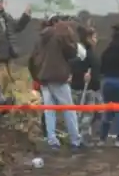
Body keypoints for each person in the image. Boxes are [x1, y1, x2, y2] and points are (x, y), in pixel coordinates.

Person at [28, 16, 85, 149]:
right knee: (69, 109)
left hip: (44, 79)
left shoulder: (40, 38)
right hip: (58, 78)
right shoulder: (59, 35)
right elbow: (71, 52)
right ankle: (75, 140)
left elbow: (31, 60)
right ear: (55, 22)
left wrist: (37, 77)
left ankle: (52, 141)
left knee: (49, 110)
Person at [71, 25, 101, 136]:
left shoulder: (89, 52)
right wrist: (82, 74)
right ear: (88, 38)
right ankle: (80, 136)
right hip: (84, 88)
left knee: (89, 114)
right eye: (94, 37)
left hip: (88, 88)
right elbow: (74, 65)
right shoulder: (83, 52)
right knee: (86, 115)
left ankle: (81, 134)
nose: (96, 40)